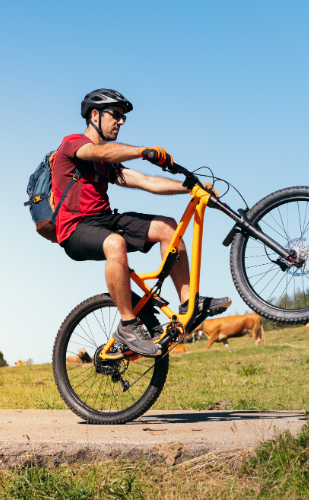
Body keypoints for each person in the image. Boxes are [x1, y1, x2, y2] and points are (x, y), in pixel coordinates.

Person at [52, 89, 230, 357]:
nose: (121, 122)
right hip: (74, 229)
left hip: (104, 220)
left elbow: (146, 181)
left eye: (124, 118)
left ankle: (188, 304)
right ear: (94, 115)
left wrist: (190, 188)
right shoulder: (74, 144)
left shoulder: (106, 164)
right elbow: (105, 152)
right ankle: (127, 324)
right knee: (115, 243)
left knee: (168, 226)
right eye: (116, 115)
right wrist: (141, 151)